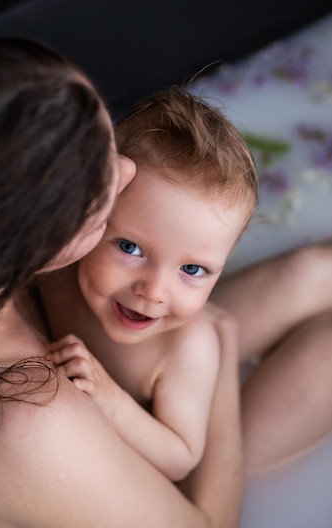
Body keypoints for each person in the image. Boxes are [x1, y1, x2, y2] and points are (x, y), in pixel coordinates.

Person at [0, 33, 244, 528]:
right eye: (98, 175)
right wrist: (222, 355)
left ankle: (315, 273)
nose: (124, 166)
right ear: (42, 245)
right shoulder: (31, 420)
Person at [39, 86, 258, 482]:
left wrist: (110, 399)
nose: (154, 292)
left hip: (217, 411)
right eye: (130, 247)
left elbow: (181, 458)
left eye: (192, 270)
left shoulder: (187, 349)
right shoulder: (58, 266)